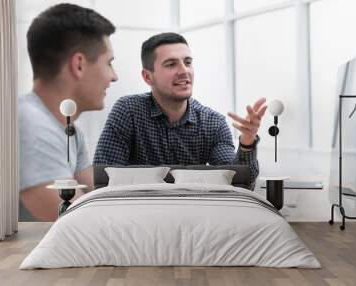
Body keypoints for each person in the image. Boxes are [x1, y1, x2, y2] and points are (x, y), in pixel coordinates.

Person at [93, 32, 266, 189]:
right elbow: (104, 180)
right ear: (148, 77)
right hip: (137, 212)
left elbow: (237, 184)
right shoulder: (128, 111)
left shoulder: (213, 122)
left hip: (194, 215)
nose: (184, 71)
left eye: (188, 62)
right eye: (171, 64)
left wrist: (247, 143)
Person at [19, 4, 118, 221]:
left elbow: (97, 198)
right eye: (109, 63)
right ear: (79, 65)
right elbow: (78, 226)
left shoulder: (70, 132)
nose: (114, 76)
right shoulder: (31, 125)